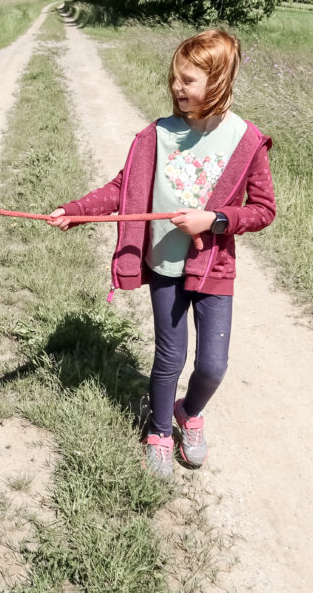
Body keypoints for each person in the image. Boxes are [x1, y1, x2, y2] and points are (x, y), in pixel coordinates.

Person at [48, 30, 275, 478]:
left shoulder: (246, 140)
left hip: (214, 267)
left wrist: (214, 220)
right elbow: (121, 188)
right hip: (165, 268)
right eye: (175, 78)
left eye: (188, 81)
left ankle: (188, 412)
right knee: (169, 356)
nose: (177, 88)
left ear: (219, 81)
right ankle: (159, 432)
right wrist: (76, 211)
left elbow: (263, 210)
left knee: (213, 364)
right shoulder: (157, 135)